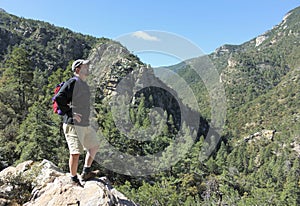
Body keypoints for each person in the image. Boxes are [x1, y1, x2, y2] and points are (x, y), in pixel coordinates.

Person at [55, 59, 99, 187]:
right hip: (72, 124)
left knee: (94, 146)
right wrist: (71, 113)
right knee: (75, 153)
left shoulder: (83, 84)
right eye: (85, 66)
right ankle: (73, 179)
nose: (88, 68)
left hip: (84, 124)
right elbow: (59, 98)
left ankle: (86, 172)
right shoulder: (72, 82)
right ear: (78, 70)